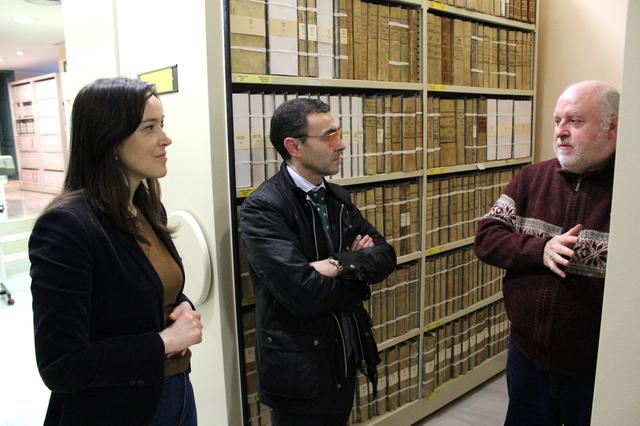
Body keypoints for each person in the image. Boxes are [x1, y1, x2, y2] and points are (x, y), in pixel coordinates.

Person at [29, 77, 203, 426]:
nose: (165, 139)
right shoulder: (67, 226)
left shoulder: (147, 208)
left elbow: (145, 288)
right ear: (109, 140)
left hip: (176, 393)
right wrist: (164, 342)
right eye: (149, 128)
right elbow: (61, 365)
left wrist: (181, 306)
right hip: (118, 409)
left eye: (162, 125)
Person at [240, 98, 396, 425]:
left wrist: (335, 265)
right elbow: (300, 291)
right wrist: (356, 273)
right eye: (329, 136)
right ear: (293, 146)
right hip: (299, 371)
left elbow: (385, 255)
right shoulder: (263, 208)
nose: (341, 144)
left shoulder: (337, 198)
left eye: (339, 133)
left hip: (342, 354)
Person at [474, 80, 619, 425]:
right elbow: (487, 237)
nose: (560, 131)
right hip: (527, 358)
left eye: (575, 121)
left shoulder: (629, 190)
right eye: (557, 121)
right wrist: (540, 249)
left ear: (612, 128)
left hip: (596, 369)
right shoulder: (531, 179)